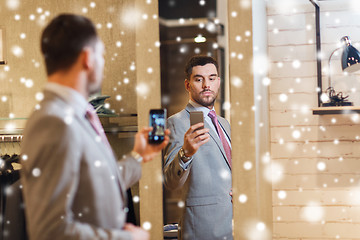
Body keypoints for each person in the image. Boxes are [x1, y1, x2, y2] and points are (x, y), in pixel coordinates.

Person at [20, 14, 169, 240]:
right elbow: (49, 231)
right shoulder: (53, 121)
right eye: (102, 55)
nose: (103, 62)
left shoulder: (77, 114)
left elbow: (97, 184)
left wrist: (139, 156)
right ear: (88, 58)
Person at [163, 55, 232, 240]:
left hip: (231, 225)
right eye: (199, 79)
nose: (206, 85)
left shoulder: (225, 124)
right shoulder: (176, 123)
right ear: (187, 85)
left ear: (218, 82)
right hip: (201, 228)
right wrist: (186, 153)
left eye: (211, 78)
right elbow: (170, 181)